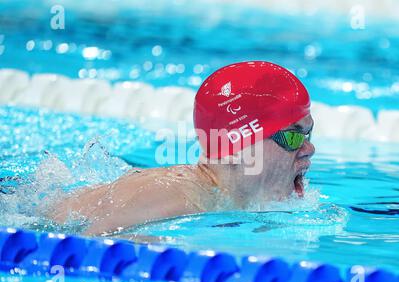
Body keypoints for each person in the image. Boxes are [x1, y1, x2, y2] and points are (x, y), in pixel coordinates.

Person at [50, 61, 315, 236]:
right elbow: (79, 249)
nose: (309, 148)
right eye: (293, 137)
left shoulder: (227, 201)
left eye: (308, 133)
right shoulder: (174, 198)